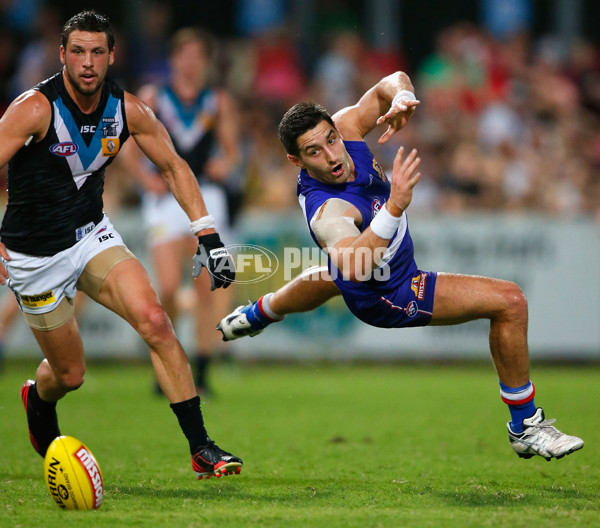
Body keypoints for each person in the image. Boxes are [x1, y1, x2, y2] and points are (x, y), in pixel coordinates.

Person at [217, 71, 584, 461]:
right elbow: (357, 268)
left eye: (331, 140)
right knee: (510, 301)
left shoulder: (345, 128)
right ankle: (525, 426)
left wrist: (402, 97)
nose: (332, 155)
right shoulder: (327, 210)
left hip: (370, 262)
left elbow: (390, 81)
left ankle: (259, 313)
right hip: (385, 291)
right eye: (314, 152)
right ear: (296, 160)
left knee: (328, 277)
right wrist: (393, 207)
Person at [0, 10, 241, 480]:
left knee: (156, 320)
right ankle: (38, 396)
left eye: (96, 52)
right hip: (35, 257)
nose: (87, 62)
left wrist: (207, 233)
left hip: (92, 235)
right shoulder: (33, 108)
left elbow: (173, 166)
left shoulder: (128, 109)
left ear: (112, 55)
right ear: (62, 55)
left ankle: (201, 448)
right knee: (69, 375)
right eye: (78, 52)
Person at [123, 27, 240, 395]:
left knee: (207, 288)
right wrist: (147, 179)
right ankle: (167, 359)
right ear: (173, 59)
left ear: (205, 62)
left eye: (197, 56)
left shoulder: (217, 101)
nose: (190, 63)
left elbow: (232, 151)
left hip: (205, 197)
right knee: (170, 287)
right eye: (183, 55)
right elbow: (127, 150)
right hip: (165, 199)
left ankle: (202, 370)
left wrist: (225, 164)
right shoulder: (154, 98)